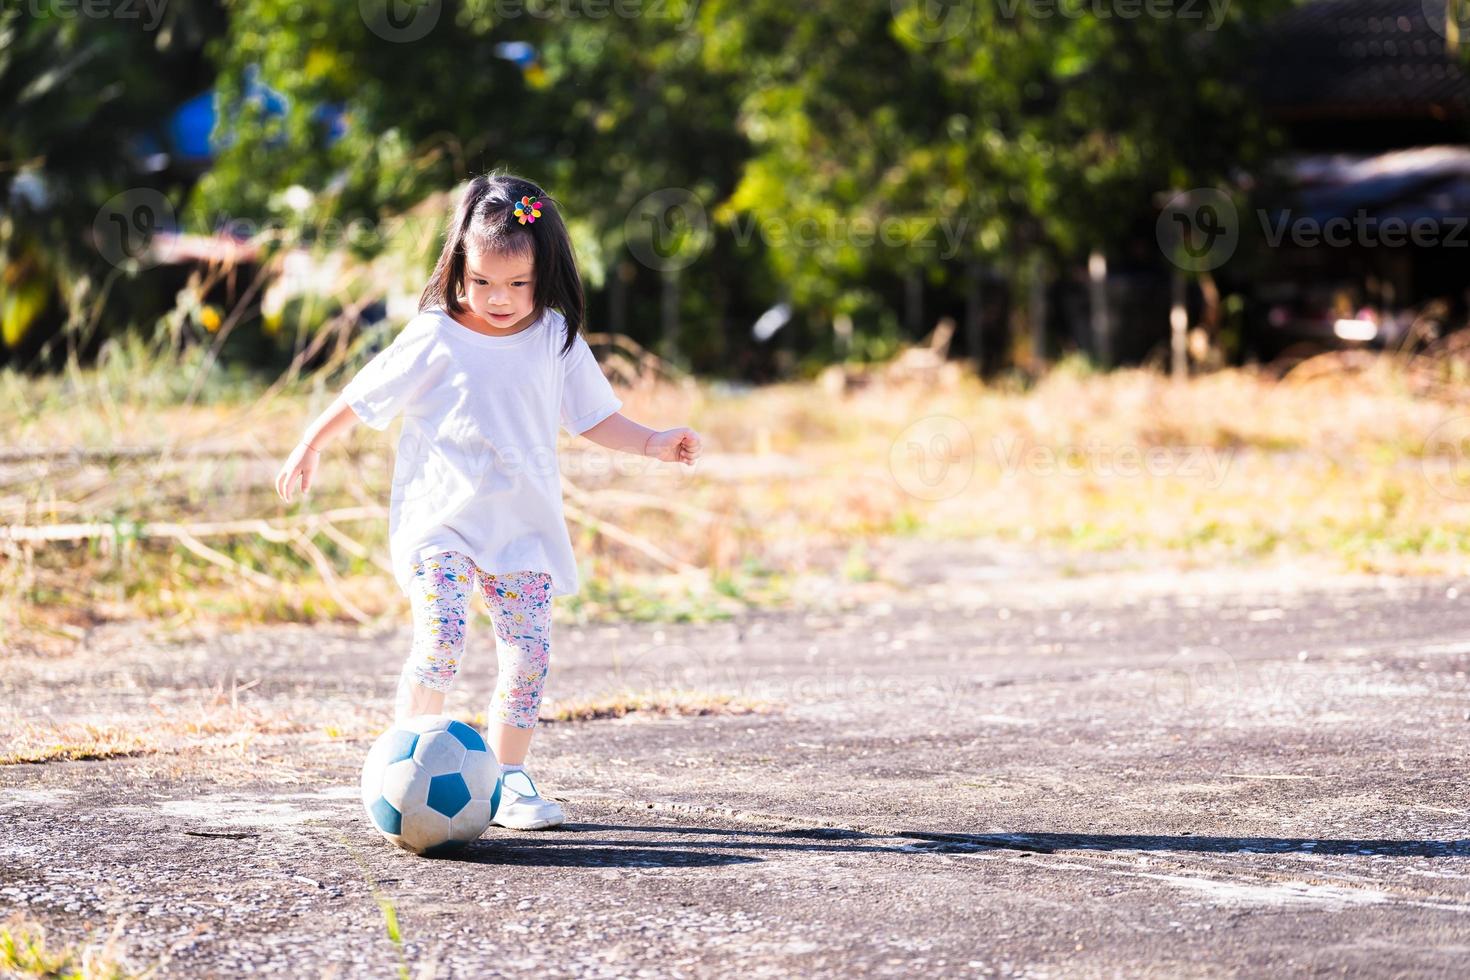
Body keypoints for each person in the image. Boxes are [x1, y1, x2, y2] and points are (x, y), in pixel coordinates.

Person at [274, 172, 703, 830]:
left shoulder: (554, 336)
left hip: (521, 529)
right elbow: (364, 396)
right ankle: (405, 768)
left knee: (529, 654)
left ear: (545, 274)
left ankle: (507, 780)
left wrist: (653, 442)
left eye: (517, 285)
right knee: (442, 635)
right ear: (458, 269)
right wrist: (311, 443)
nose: (498, 298)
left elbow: (591, 417)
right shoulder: (436, 334)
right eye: (482, 282)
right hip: (440, 523)